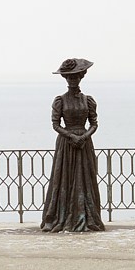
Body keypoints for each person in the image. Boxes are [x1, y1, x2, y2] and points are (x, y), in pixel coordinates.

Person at [41, 58, 105, 233]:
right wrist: (70, 136)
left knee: (85, 179)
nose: (73, 80)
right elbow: (55, 124)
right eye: (70, 77)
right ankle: (62, 215)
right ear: (66, 79)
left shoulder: (88, 100)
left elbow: (94, 123)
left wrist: (84, 136)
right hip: (67, 144)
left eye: (76, 77)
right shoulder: (60, 100)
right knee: (64, 179)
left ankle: (86, 215)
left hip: (84, 144)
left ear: (81, 77)